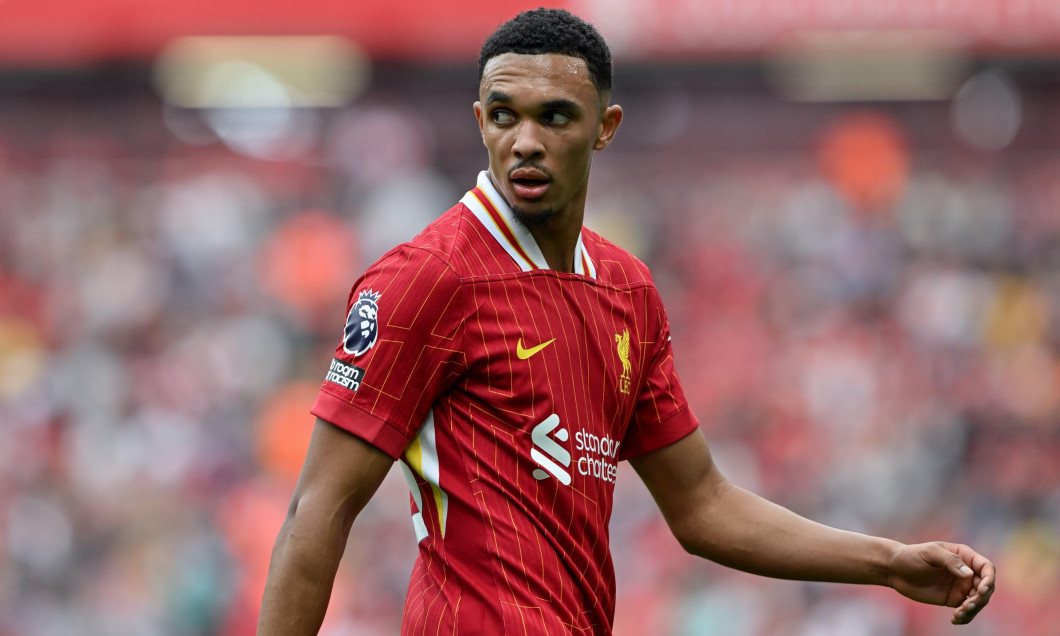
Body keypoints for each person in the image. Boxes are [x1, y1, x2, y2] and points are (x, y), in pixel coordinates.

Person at [258, 8, 995, 635]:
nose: (525, 140)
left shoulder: (626, 288)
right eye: (505, 115)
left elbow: (702, 505)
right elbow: (318, 508)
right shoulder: (428, 278)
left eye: (555, 117)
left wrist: (888, 562)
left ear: (604, 127)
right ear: (480, 120)